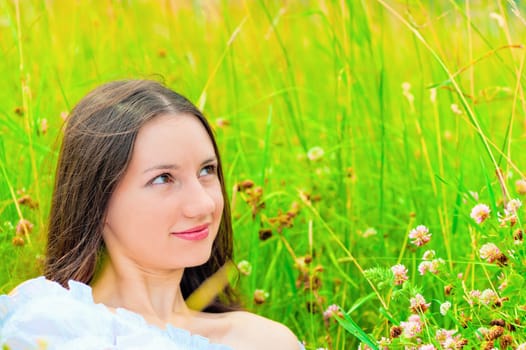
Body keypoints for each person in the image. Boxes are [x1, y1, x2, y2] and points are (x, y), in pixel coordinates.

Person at [0, 80, 304, 350]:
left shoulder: (266, 341)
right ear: (98, 200)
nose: (203, 204)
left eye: (206, 171)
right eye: (163, 179)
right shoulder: (46, 321)